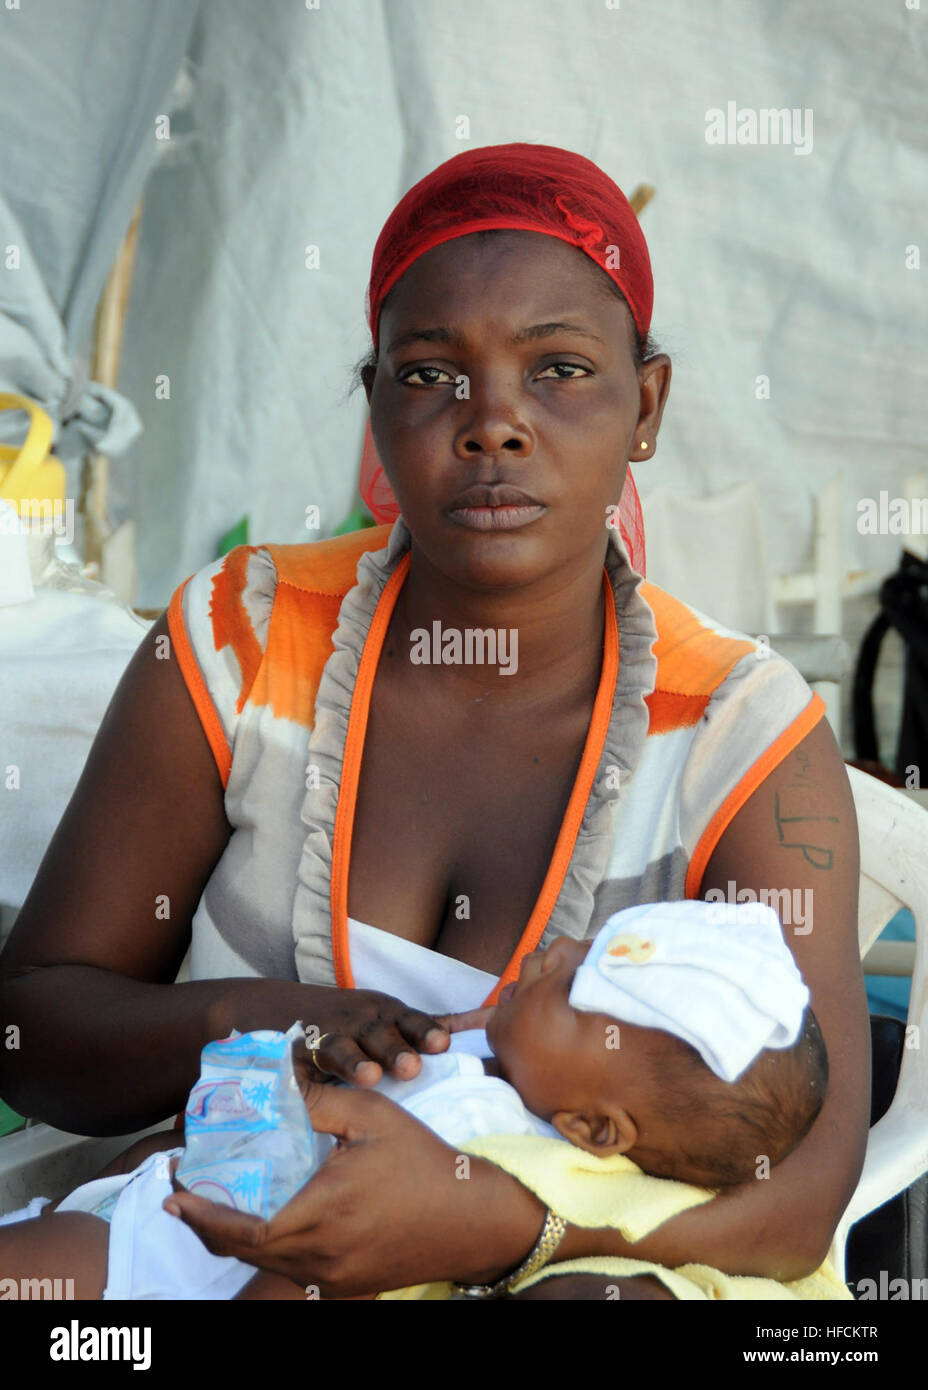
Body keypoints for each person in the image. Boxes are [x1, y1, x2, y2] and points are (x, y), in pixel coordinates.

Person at [0, 143, 870, 1301]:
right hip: (222, 1227)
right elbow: (38, 1027)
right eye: (426, 375)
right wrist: (263, 1017)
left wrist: (499, 1227)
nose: (493, 423)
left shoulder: (737, 730)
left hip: (589, 1261)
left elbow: (801, 1197)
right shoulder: (239, 638)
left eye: (558, 368)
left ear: (645, 405)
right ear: (373, 407)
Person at [0, 902, 842, 1301]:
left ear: (593, 1126)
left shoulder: (495, 1156)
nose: (550, 954)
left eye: (578, 984)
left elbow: (332, 1261)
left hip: (169, 1271)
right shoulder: (481, 1049)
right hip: (151, 1214)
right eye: (584, 942)